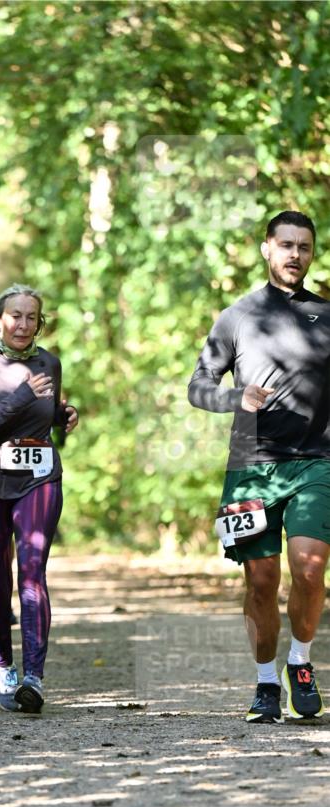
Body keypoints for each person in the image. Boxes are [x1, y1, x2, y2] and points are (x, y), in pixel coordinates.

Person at [188, 210, 329, 724]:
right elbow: (197, 385)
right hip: (250, 466)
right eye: (286, 245)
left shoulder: (327, 316)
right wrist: (234, 396)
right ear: (267, 248)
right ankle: (266, 683)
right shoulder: (237, 316)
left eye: (305, 247)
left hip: (317, 460)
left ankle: (301, 663)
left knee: (310, 570)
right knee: (262, 581)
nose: (296, 255)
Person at [0, 284, 78, 713]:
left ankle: (34, 678)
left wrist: (63, 415)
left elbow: (47, 417)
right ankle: (5, 666)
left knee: (32, 572)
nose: (23, 324)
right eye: (15, 316)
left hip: (38, 477)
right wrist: (22, 396)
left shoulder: (49, 362)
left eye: (31, 317)